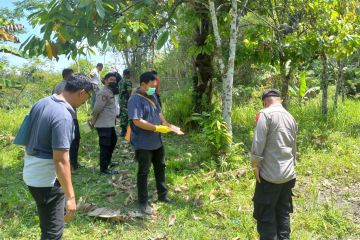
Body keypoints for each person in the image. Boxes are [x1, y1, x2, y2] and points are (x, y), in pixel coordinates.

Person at [22, 74, 93, 239]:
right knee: (52, 233)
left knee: (49, 223)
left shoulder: (42, 102)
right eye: (87, 98)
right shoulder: (63, 116)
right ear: (81, 93)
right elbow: (61, 160)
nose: (84, 103)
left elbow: (26, 136)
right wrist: (71, 197)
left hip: (32, 171)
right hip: (47, 180)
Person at [250, 89, 298, 240]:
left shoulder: (265, 114)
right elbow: (294, 147)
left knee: (266, 214)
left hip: (270, 177)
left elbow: (258, 143)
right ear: (280, 100)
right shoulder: (291, 117)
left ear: (265, 102)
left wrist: (255, 165)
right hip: (288, 175)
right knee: (283, 212)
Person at [127, 71, 173, 215]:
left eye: (155, 86)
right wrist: (155, 127)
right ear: (142, 84)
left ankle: (163, 195)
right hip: (143, 143)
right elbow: (137, 121)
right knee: (144, 172)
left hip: (157, 141)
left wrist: (165, 123)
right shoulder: (134, 100)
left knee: (161, 167)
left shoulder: (152, 95)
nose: (154, 88)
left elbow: (158, 112)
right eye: (151, 86)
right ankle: (143, 202)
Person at [90, 72, 119, 175]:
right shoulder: (103, 92)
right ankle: (103, 168)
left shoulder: (110, 91)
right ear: (105, 81)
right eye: (111, 80)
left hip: (109, 123)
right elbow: (97, 109)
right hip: (103, 124)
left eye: (114, 80)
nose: (113, 82)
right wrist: (92, 121)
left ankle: (108, 161)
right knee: (105, 146)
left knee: (113, 141)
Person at [54, 69, 81, 172]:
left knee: (66, 142)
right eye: (72, 75)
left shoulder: (57, 86)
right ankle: (72, 165)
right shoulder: (69, 86)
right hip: (71, 117)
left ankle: (71, 163)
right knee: (74, 141)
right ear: (67, 75)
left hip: (60, 116)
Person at [119, 69, 132, 137]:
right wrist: (131, 99)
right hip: (126, 100)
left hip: (121, 100)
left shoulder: (120, 81)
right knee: (127, 114)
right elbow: (129, 90)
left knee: (122, 114)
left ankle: (123, 130)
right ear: (128, 74)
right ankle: (128, 131)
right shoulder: (128, 81)